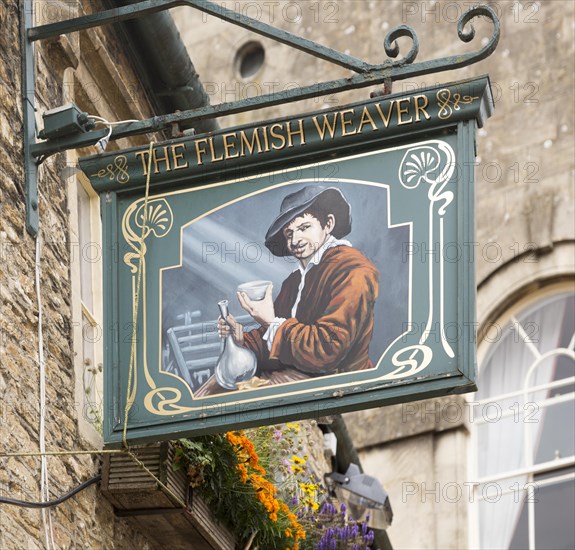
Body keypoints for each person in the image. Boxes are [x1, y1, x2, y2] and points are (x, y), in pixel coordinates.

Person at [219, 185, 379, 377]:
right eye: (289, 233)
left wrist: (271, 323)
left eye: (304, 228)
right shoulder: (294, 281)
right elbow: (277, 348)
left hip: (344, 385)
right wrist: (241, 339)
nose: (295, 240)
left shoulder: (353, 270)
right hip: (300, 380)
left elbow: (327, 349)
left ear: (328, 224)